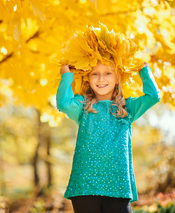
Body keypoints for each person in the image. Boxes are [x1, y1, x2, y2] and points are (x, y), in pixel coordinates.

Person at [56, 25, 161, 213]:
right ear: (88, 78)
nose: (101, 79)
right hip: (85, 186)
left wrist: (145, 72)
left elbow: (153, 96)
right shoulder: (83, 105)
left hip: (117, 186)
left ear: (118, 77)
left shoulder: (127, 108)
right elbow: (63, 103)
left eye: (107, 73)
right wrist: (66, 77)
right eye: (95, 73)